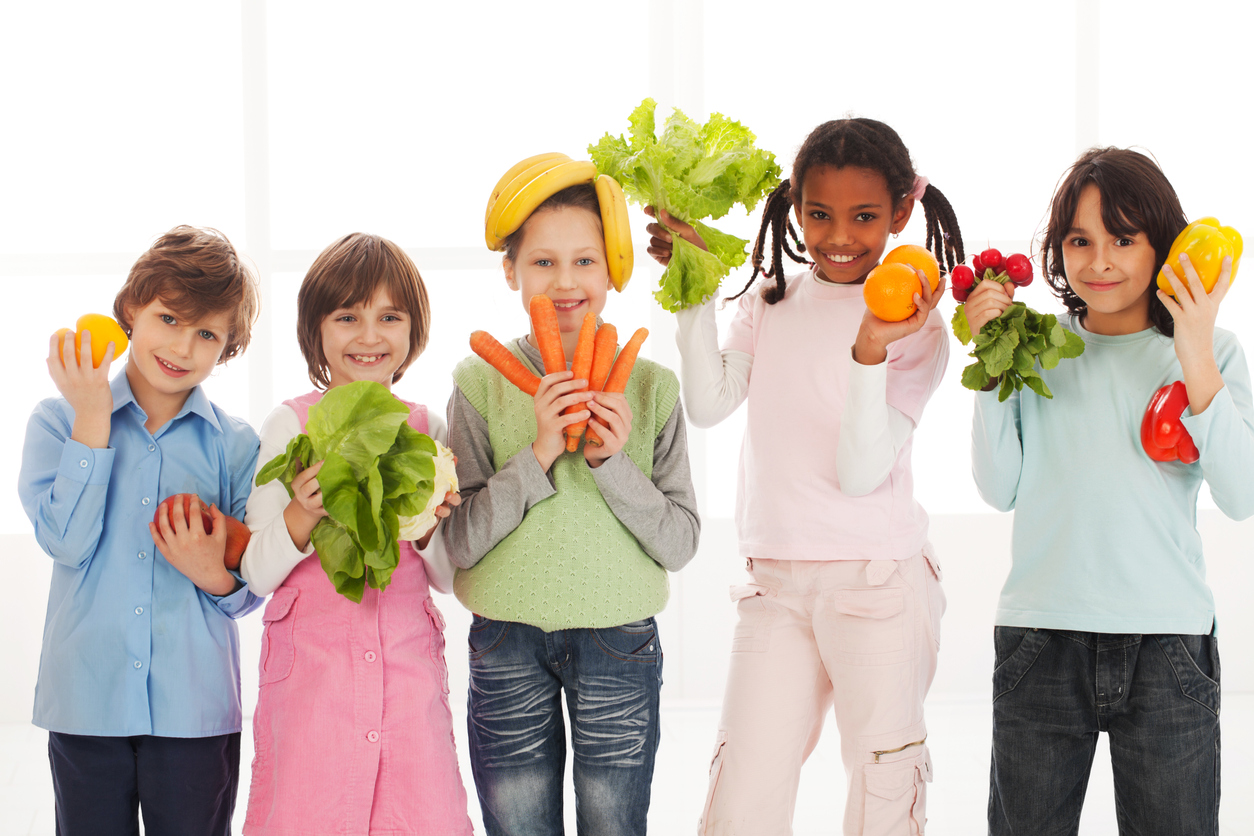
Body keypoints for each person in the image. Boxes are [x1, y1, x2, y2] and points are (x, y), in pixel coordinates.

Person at [647, 117, 963, 835]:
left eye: (864, 217)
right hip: (777, 584)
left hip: (876, 586)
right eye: (819, 214)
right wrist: (693, 289)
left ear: (901, 214)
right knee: (739, 799)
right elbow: (707, 404)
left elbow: (860, 473)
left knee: (884, 793)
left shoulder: (919, 328)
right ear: (795, 207)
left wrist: (871, 348)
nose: (839, 236)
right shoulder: (771, 300)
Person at [967, 147, 1252, 835]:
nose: (1099, 261)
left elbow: (1241, 495)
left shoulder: (1214, 353)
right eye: (1079, 241)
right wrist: (990, 355)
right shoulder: (1033, 346)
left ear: (1164, 243)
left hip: (1168, 645)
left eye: (1124, 239)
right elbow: (998, 488)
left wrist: (1193, 348)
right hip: (1041, 635)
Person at [444, 162, 701, 836]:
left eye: (584, 260)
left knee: (614, 825)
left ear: (612, 269)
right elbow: (459, 541)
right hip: (505, 637)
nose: (564, 281)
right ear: (512, 273)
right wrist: (538, 454)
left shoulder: (652, 389)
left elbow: (680, 544)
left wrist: (612, 464)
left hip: (619, 638)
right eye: (543, 261)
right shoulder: (478, 382)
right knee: (519, 825)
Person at [18, 225, 261, 836]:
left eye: (207, 333)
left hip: (195, 711)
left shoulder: (236, 446)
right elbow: (65, 544)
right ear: (131, 309)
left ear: (227, 348)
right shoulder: (58, 420)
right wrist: (94, 418)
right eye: (170, 318)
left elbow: (253, 583)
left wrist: (213, 572)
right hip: (85, 700)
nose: (183, 345)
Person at [239, 232, 473, 835]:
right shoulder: (290, 424)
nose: (369, 337)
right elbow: (257, 573)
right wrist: (303, 513)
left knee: (420, 814)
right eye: (348, 317)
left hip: (407, 679)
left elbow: (447, 580)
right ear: (317, 330)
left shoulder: (430, 426)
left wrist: (425, 529)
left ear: (413, 330)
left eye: (389, 317)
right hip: (312, 687)